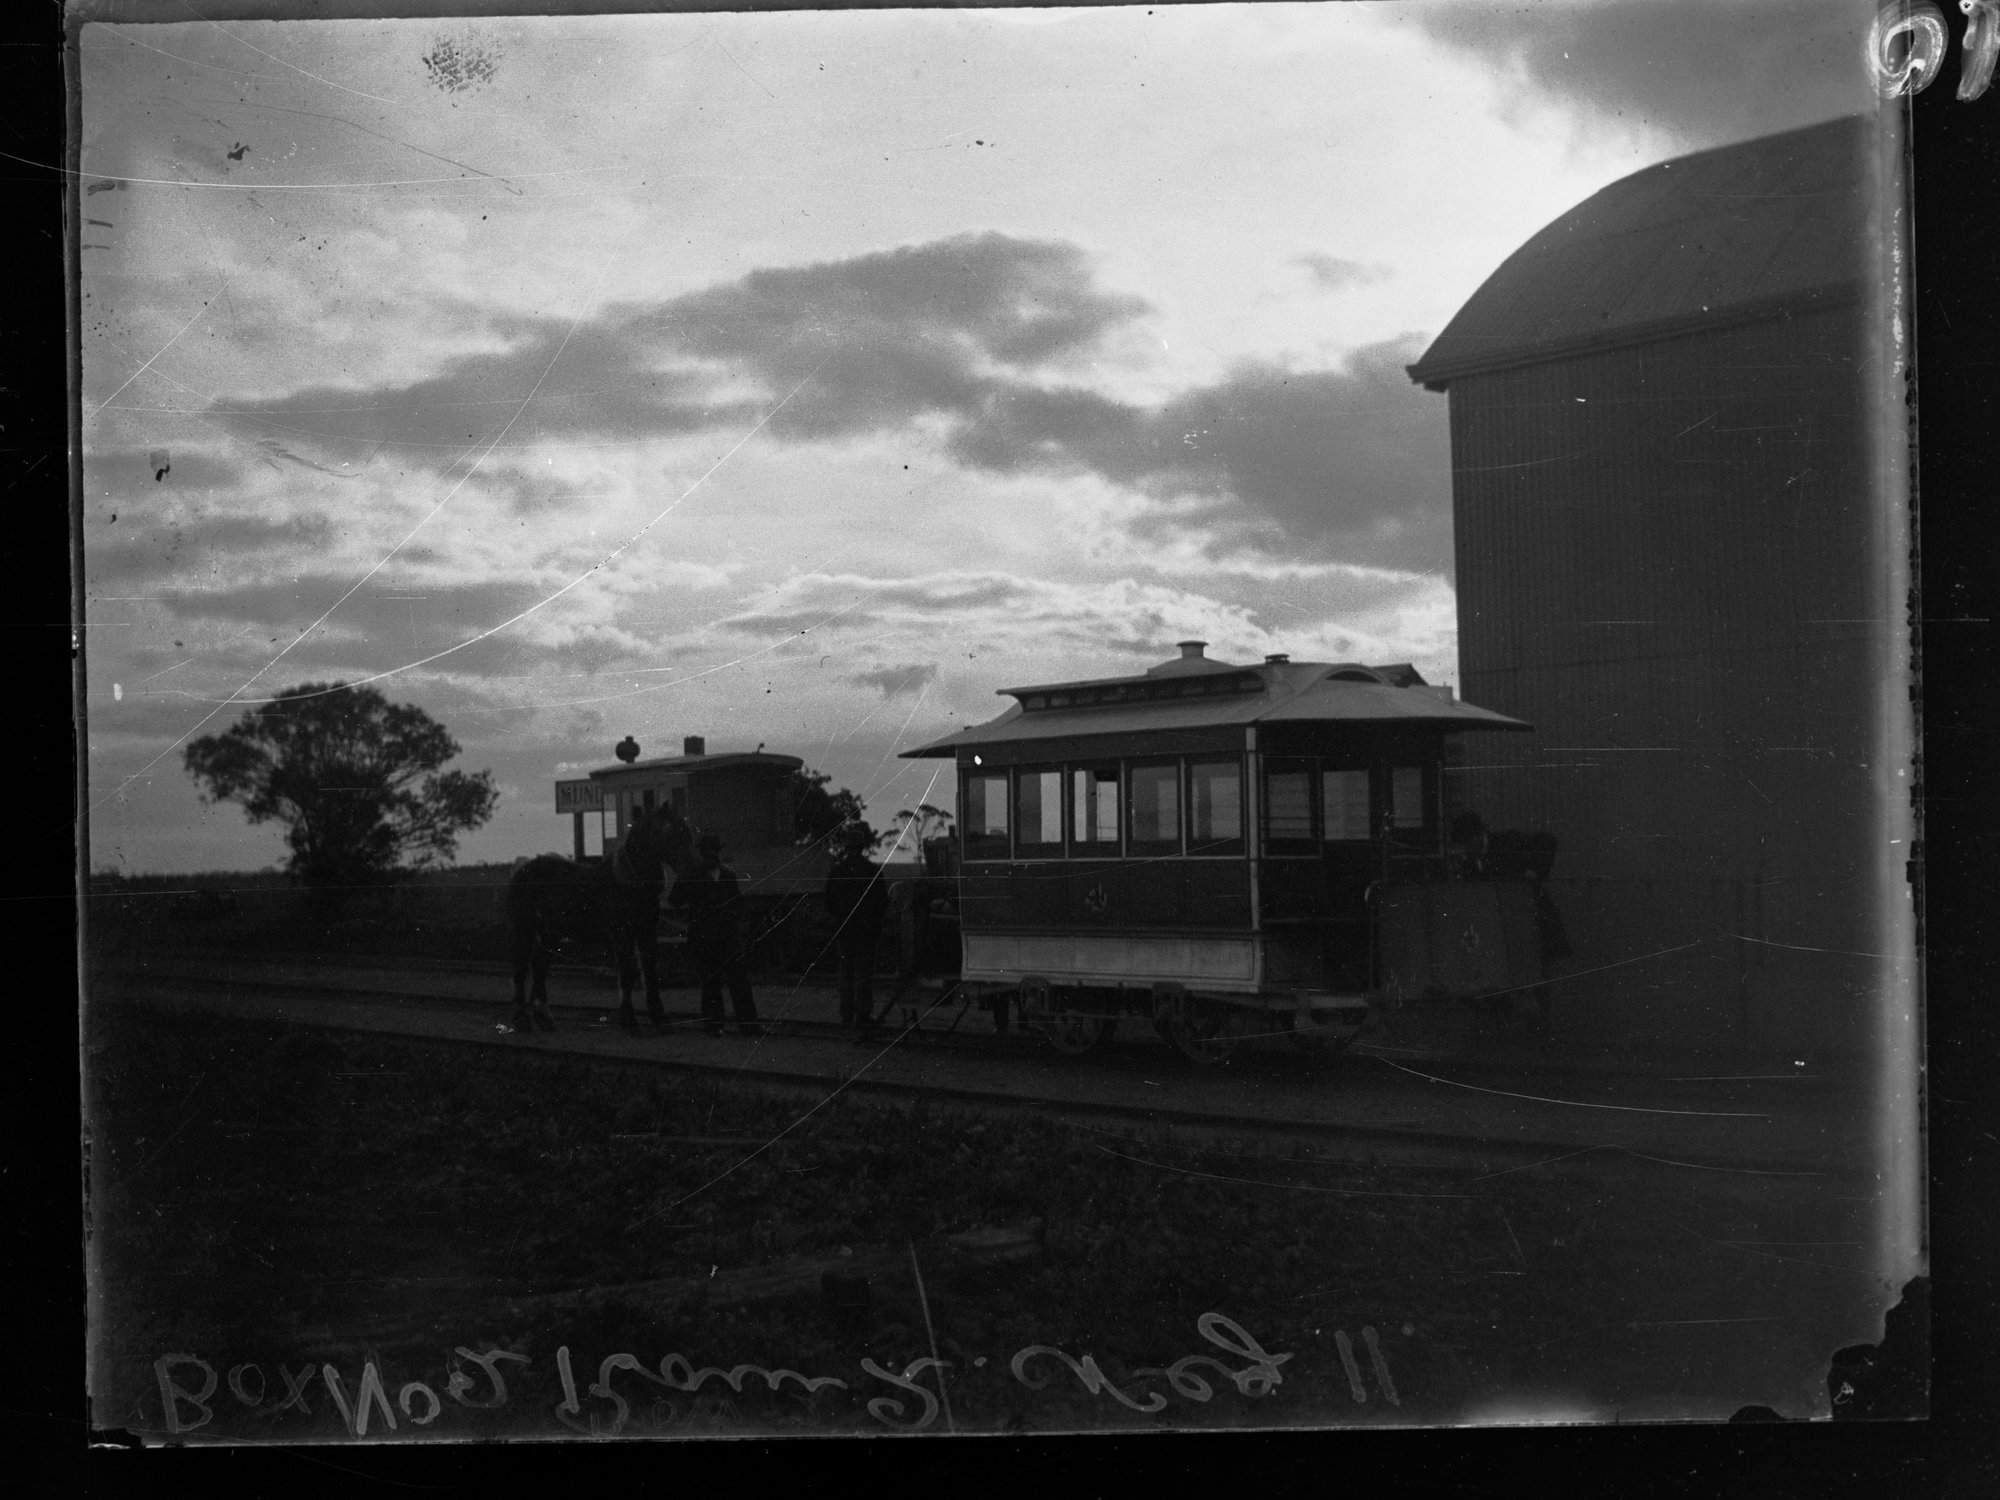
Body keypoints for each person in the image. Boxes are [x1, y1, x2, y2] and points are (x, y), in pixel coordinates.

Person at [669, 832, 762, 1036]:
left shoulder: (723, 876)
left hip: (724, 937)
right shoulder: (706, 875)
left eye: (713, 851)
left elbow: (737, 903)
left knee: (733, 982)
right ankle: (722, 1025)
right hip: (708, 938)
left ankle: (738, 1025)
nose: (711, 855)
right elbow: (674, 899)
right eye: (709, 851)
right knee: (717, 983)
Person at [824, 822, 890, 1031]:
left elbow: (829, 902)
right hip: (866, 931)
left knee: (846, 973)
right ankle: (863, 1014)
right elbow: (882, 902)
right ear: (862, 847)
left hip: (845, 931)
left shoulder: (837, 872)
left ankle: (846, 1014)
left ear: (846, 847)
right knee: (864, 974)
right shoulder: (872, 871)